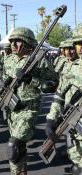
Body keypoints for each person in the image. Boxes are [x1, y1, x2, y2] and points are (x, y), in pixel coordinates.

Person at [0, 27, 57, 175]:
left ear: (28, 43)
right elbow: (5, 81)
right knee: (20, 145)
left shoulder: (38, 60)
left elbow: (52, 83)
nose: (13, 44)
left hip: (29, 109)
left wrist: (30, 79)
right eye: (12, 41)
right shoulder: (9, 59)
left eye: (18, 41)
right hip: (12, 108)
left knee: (14, 145)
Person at [45, 26, 82, 175]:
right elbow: (59, 95)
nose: (80, 48)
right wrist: (51, 119)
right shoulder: (72, 67)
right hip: (73, 119)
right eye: (78, 43)